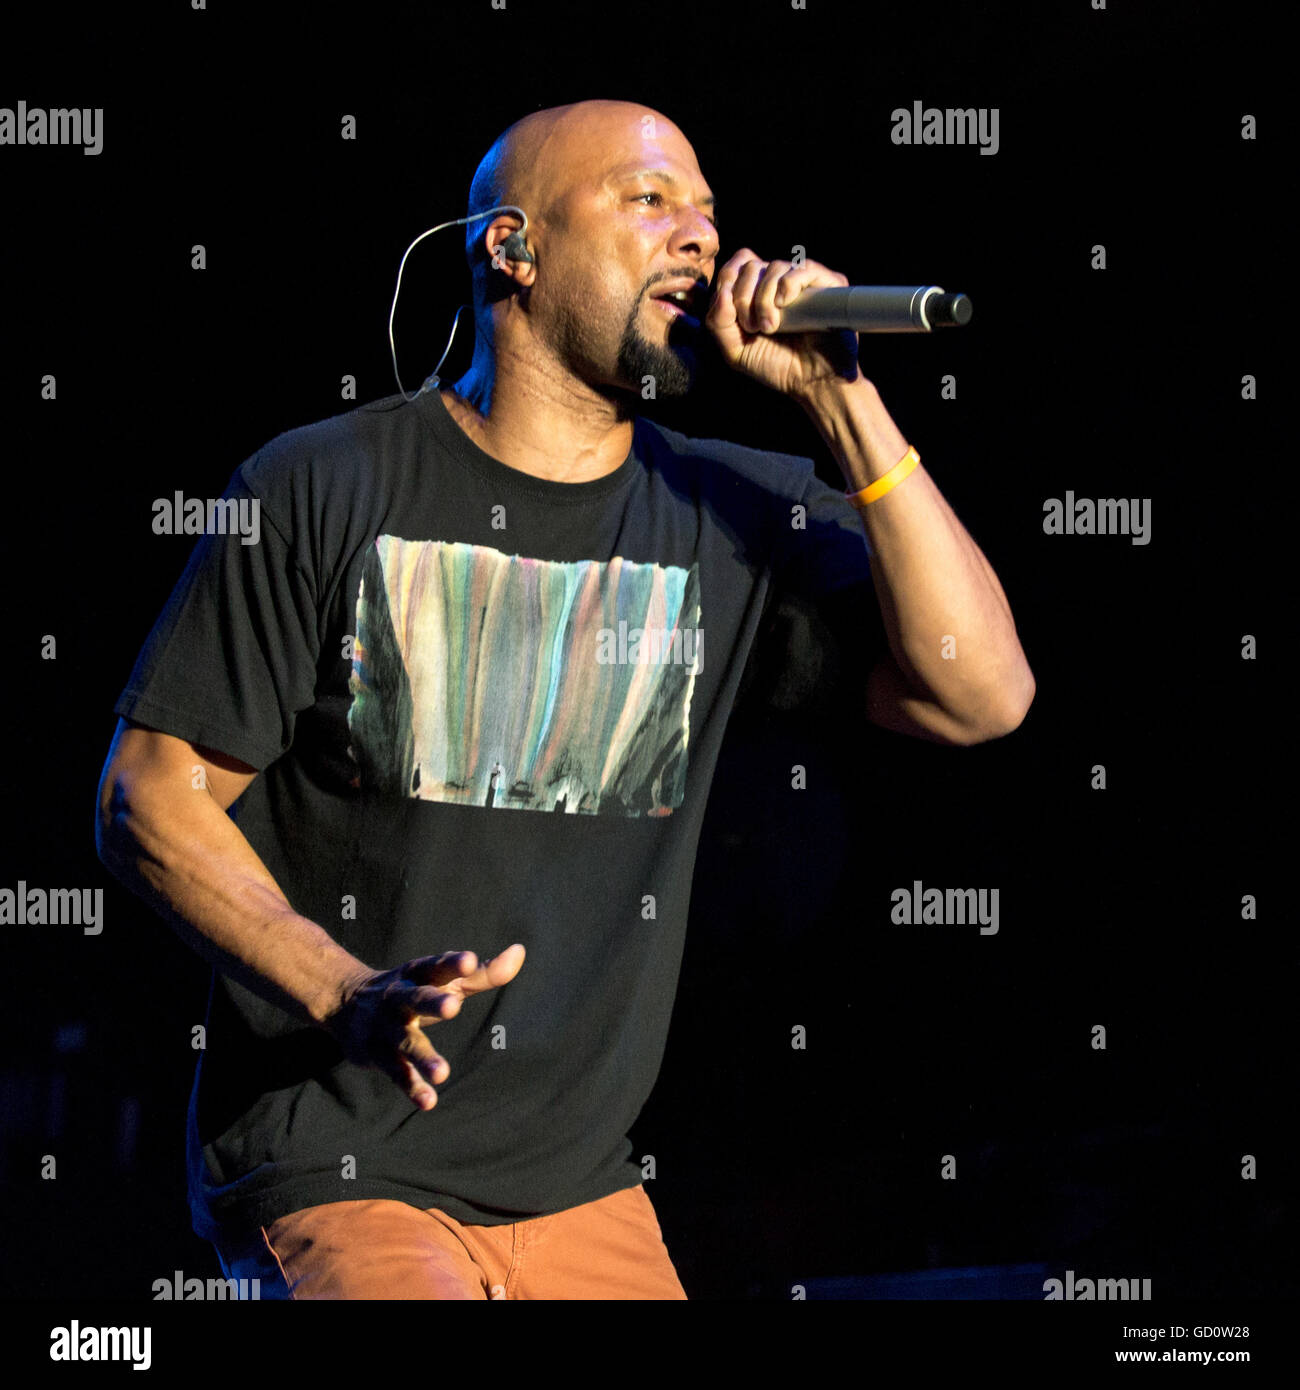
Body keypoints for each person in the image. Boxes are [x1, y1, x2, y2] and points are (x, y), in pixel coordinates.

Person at [95, 98, 1034, 1300]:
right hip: (340, 1161)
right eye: (649, 201)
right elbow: (149, 796)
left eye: (705, 211)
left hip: (579, 1185)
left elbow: (983, 694)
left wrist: (840, 400)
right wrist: (343, 988)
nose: (699, 238)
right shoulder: (322, 483)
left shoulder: (731, 515)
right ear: (512, 248)